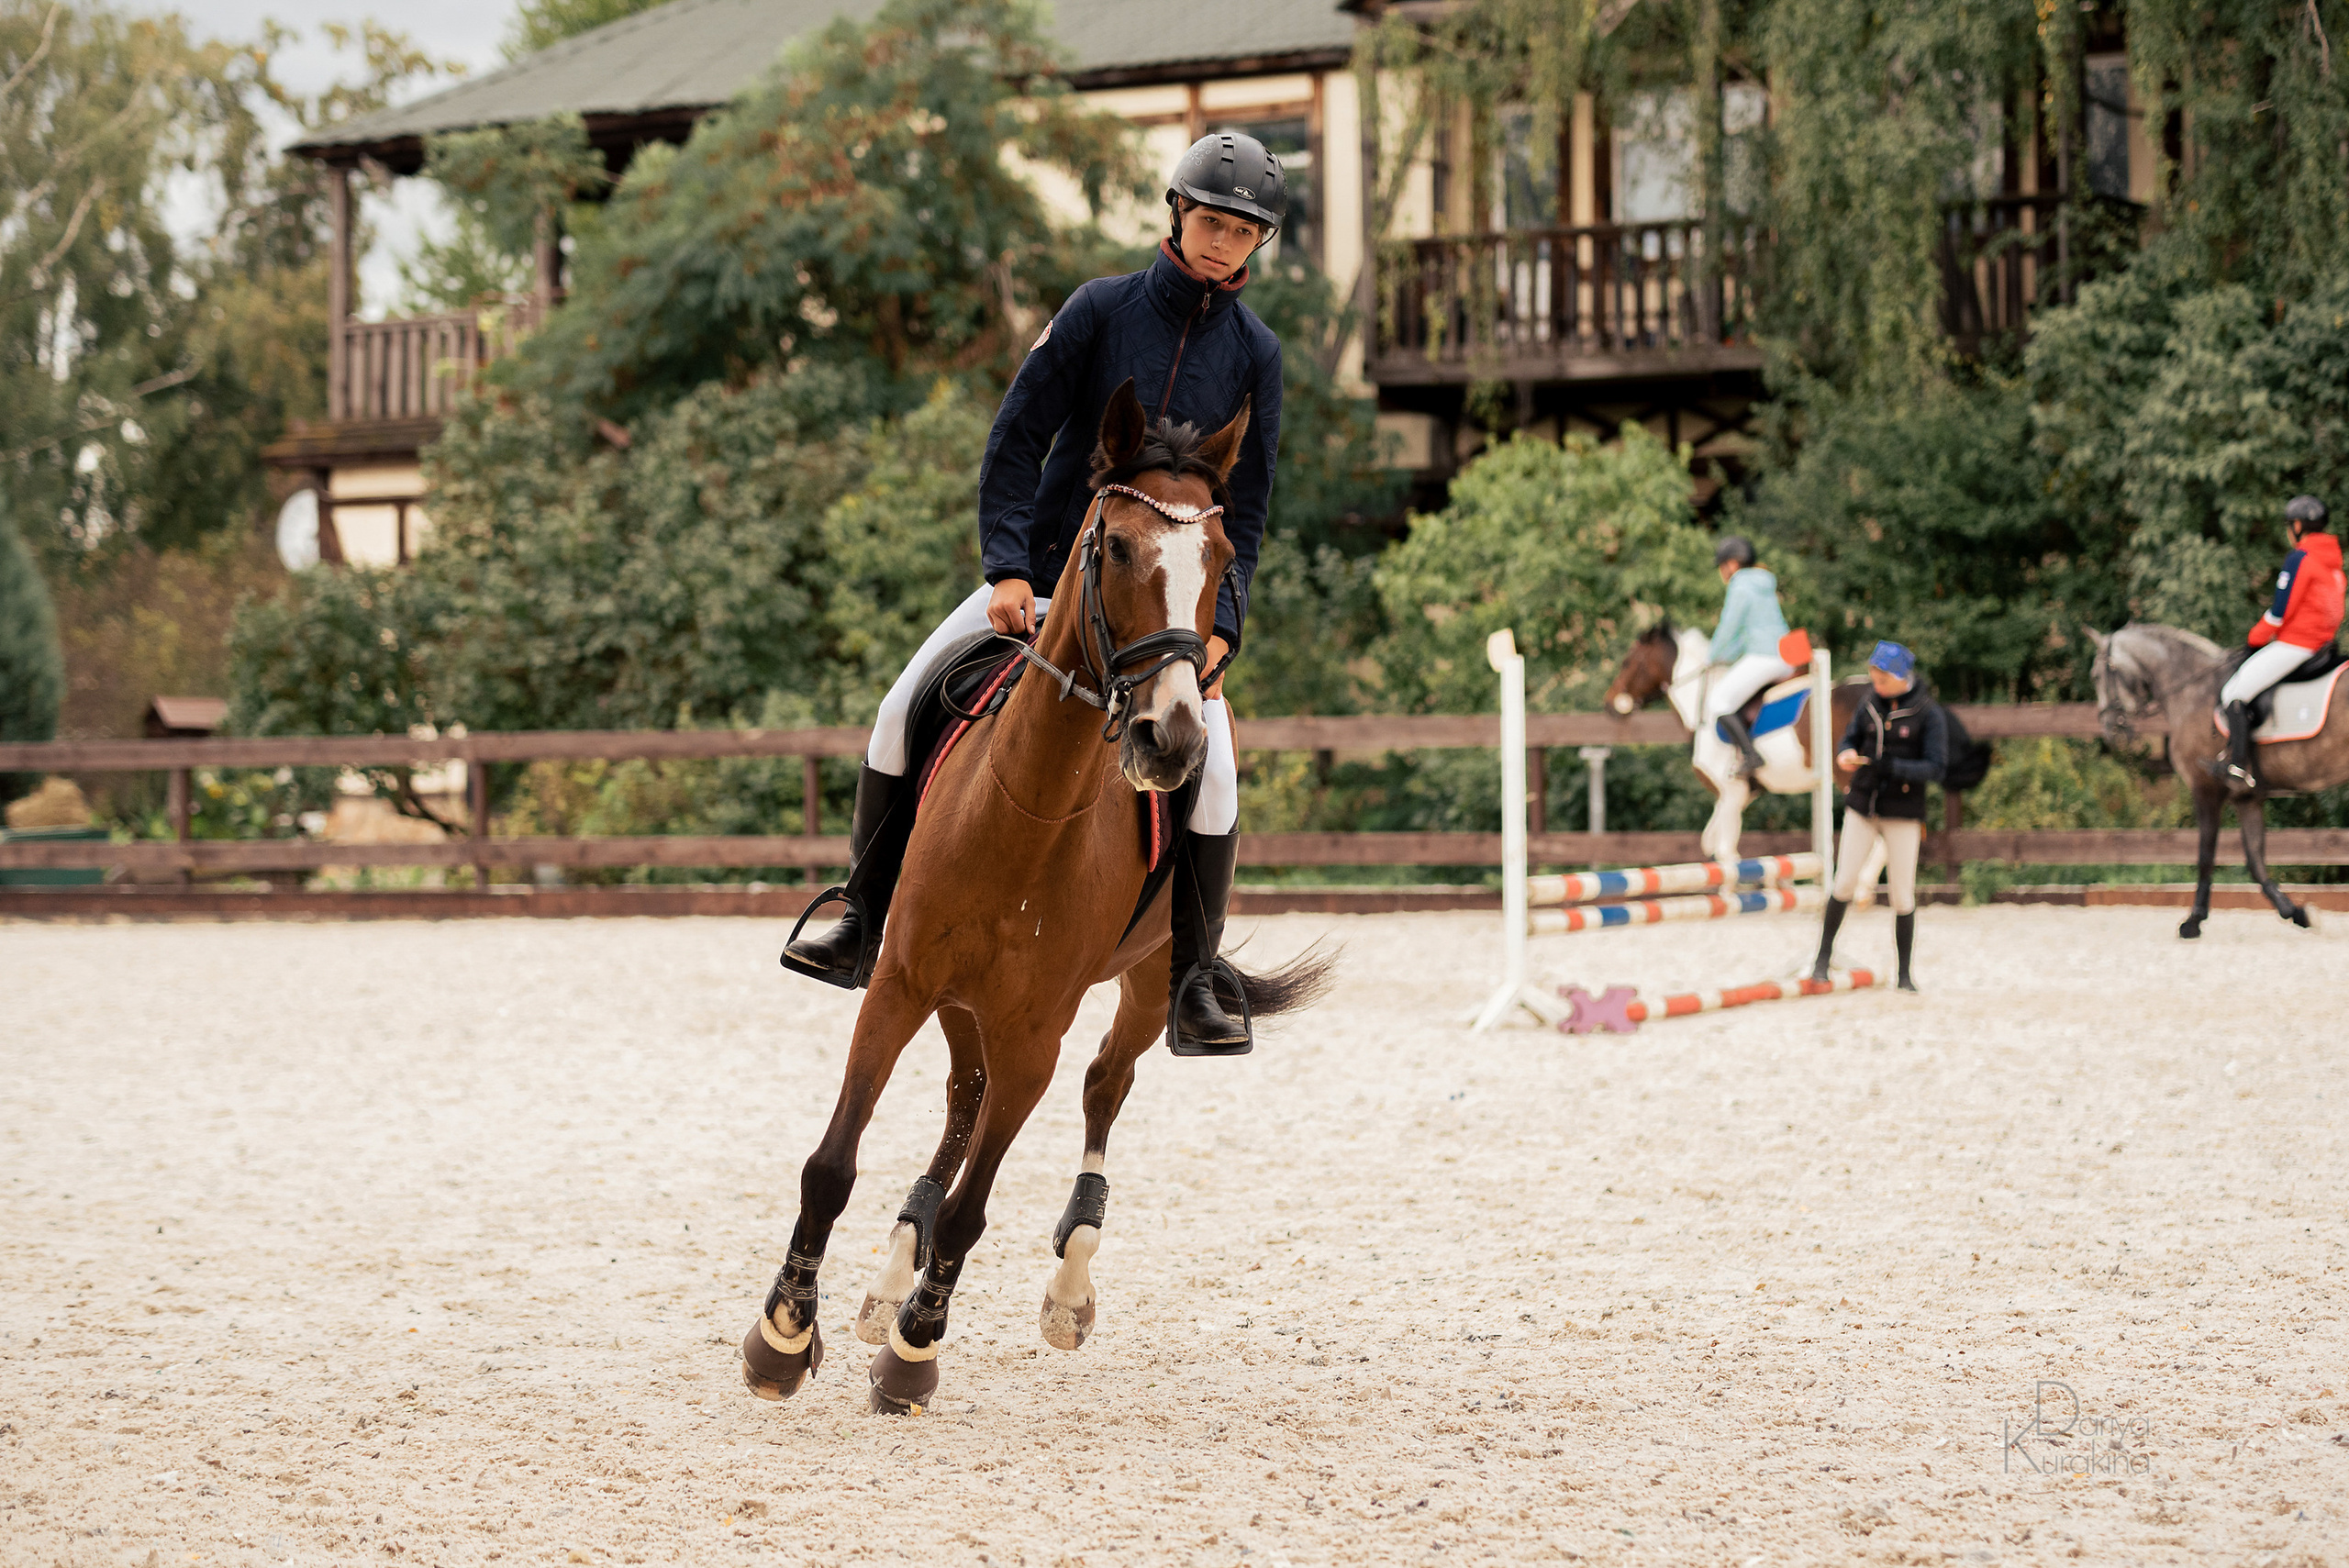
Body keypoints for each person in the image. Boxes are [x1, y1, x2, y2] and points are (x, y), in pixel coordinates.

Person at [781, 132, 1287, 1055]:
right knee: (899, 709)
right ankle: (863, 912)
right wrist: (1009, 568)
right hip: (1048, 585)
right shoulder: (1098, 312)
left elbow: (1244, 516)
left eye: (1242, 232)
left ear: (1258, 243)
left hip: (1162, 619)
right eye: (1211, 221)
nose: (1222, 243)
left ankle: (1193, 978)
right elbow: (1014, 442)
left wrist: (1222, 629)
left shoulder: (1257, 354)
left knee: (1213, 773)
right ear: (1178, 214)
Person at [1810, 641, 1946, 994]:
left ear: (1901, 677)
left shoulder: (1929, 714)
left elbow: (1935, 767)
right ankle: (1822, 960)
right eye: (1874, 675)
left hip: (1903, 812)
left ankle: (1904, 974)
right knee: (1843, 883)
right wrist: (1846, 754)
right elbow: (1849, 738)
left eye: (1882, 677)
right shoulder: (1869, 702)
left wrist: (1893, 768)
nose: (1876, 682)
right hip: (1863, 805)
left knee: (1903, 894)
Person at [2212, 495, 2343, 795]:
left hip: (2296, 645)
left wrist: (2253, 639)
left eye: (2290, 525)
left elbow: (2279, 613)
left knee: (2234, 692)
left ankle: (2237, 766)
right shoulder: (2334, 563)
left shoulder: (2300, 559)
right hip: (2323, 645)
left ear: (2298, 526)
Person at [1703, 537, 1793, 778]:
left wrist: (1711, 657)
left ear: (1732, 564)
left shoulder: (1740, 585)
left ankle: (1751, 755)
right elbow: (1745, 636)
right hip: (1786, 654)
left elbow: (1729, 627)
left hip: (1766, 657)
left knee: (1718, 701)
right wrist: (1727, 657)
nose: (1722, 573)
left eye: (1722, 566)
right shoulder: (1764, 583)